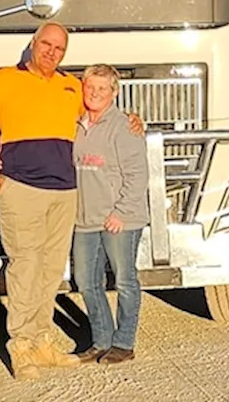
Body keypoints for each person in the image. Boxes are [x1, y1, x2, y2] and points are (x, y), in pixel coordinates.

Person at [0, 21, 144, 380]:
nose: (52, 52)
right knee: (24, 268)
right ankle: (21, 346)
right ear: (33, 43)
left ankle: (43, 342)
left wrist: (134, 118)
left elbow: (101, 106)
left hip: (65, 195)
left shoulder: (70, 86)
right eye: (46, 44)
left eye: (59, 48)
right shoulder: (4, 80)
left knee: (49, 273)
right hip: (22, 191)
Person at [71, 64, 149, 365]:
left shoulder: (124, 127)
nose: (95, 93)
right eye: (90, 87)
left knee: (125, 280)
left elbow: (137, 174)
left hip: (120, 219)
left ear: (114, 92)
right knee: (86, 280)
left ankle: (124, 342)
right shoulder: (74, 123)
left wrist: (121, 212)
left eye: (102, 88)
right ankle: (101, 340)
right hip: (85, 217)